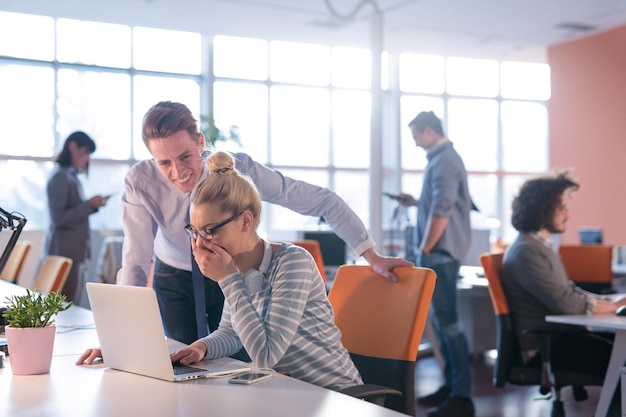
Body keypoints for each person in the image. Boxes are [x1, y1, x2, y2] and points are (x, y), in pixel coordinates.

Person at [117, 101, 412, 346]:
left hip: (233, 272)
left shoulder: (237, 169)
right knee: (180, 362)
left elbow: (322, 200)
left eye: (185, 156)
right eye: (164, 163)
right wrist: (120, 338)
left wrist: (371, 256)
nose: (178, 172)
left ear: (200, 142)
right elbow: (136, 261)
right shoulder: (140, 182)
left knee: (238, 363)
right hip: (174, 278)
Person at [79, 150, 364, 391]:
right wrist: (200, 347)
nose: (201, 243)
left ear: (245, 221)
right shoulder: (237, 266)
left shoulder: (292, 263)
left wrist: (228, 279)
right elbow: (231, 333)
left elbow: (265, 356)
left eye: (210, 231)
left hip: (335, 394)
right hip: (287, 392)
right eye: (195, 232)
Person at [501, 171, 625, 378]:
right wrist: (614, 306)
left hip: (562, 337)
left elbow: (569, 292)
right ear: (543, 209)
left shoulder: (540, 247)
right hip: (546, 347)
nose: (568, 215)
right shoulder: (527, 251)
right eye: (563, 207)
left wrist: (610, 302)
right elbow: (565, 303)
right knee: (622, 357)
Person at [392, 111, 474, 417]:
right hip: (440, 251)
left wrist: (424, 249)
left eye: (416, 137)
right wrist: (415, 202)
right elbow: (437, 203)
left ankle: (462, 397)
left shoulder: (445, 161)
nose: (415, 144)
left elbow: (442, 210)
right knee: (442, 324)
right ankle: (453, 387)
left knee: (449, 325)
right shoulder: (441, 161)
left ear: (429, 131)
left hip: (439, 252)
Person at [44, 131, 110, 303]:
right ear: (73, 147)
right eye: (86, 152)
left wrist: (91, 207)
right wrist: (89, 205)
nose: (87, 159)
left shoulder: (70, 177)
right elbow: (58, 218)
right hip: (65, 253)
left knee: (70, 303)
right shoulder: (61, 176)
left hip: (72, 252)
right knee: (65, 306)